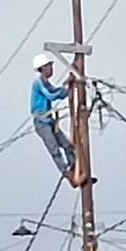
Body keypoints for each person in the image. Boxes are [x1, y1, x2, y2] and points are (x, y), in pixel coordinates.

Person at [30, 53, 83, 187]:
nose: (51, 69)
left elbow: (56, 91)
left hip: (49, 121)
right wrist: (66, 89)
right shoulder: (38, 83)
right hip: (42, 123)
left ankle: (75, 170)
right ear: (42, 68)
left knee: (67, 145)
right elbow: (52, 95)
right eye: (49, 66)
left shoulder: (45, 82)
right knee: (54, 149)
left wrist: (68, 87)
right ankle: (69, 175)